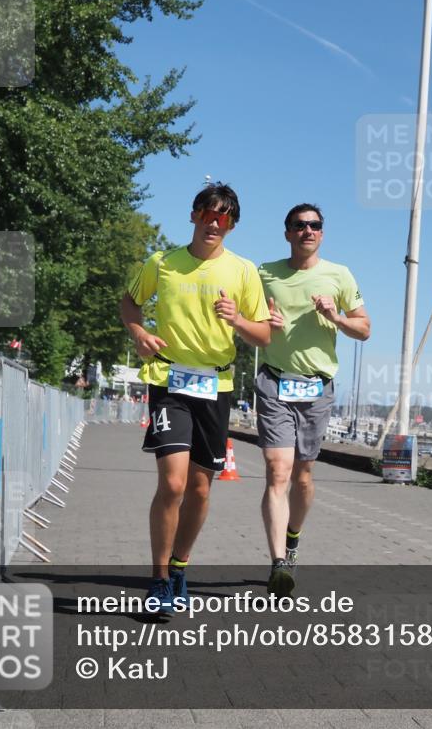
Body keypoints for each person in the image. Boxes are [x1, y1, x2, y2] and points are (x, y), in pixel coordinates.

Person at [121, 182, 271, 610]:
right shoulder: (162, 263)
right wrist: (139, 333)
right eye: (207, 214)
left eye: (223, 218)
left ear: (232, 225)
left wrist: (238, 320)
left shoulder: (243, 271)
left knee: (200, 490)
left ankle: (179, 566)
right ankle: (159, 580)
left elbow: (263, 333)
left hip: (215, 387)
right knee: (173, 483)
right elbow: (130, 303)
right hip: (169, 382)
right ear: (193, 215)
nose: (214, 223)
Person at [256, 203, 370, 595]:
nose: (308, 230)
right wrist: (263, 323)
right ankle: (278, 564)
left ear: (322, 233)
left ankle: (293, 539)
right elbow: (245, 322)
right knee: (278, 471)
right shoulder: (265, 273)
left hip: (317, 388)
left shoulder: (340, 275)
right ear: (287, 232)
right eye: (300, 225)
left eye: (315, 225)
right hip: (274, 382)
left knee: (303, 476)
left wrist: (336, 317)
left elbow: (365, 329)